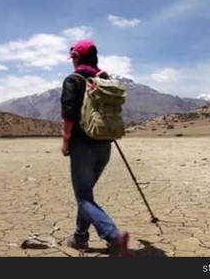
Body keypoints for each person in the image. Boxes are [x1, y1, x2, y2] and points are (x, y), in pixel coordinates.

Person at [60, 39, 130, 257]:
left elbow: (69, 113)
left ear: (77, 58)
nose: (72, 62)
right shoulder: (103, 80)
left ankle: (113, 235)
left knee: (83, 196)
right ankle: (80, 237)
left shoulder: (74, 80)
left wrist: (65, 140)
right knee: (86, 194)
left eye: (73, 58)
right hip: (105, 146)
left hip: (83, 146)